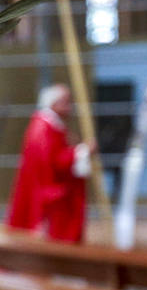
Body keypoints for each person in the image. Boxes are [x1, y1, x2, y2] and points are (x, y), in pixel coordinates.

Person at [5, 83, 93, 242]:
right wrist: (81, 150)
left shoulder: (47, 126)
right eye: (66, 102)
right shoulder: (43, 129)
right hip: (48, 194)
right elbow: (54, 162)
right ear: (54, 103)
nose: (70, 107)